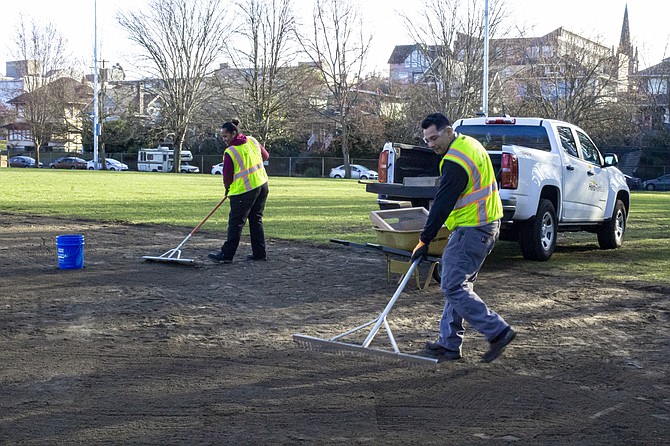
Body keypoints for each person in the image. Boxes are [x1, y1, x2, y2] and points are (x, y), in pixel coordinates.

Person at [411, 113, 516, 363]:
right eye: (426, 140)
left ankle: (498, 331)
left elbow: (443, 203)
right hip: (484, 226)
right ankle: (449, 343)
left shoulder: (455, 161)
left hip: (473, 229)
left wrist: (424, 239)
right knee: (457, 285)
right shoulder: (470, 144)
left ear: (448, 132)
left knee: (453, 286)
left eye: (434, 138)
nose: (431, 144)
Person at [208, 121, 269, 264]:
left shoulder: (230, 152)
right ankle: (260, 253)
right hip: (262, 184)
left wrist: (227, 189)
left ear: (234, 134)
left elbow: (227, 176)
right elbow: (265, 156)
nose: (224, 139)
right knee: (256, 220)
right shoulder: (252, 140)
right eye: (222, 137)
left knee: (235, 223)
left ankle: (226, 254)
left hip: (244, 191)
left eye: (226, 136)